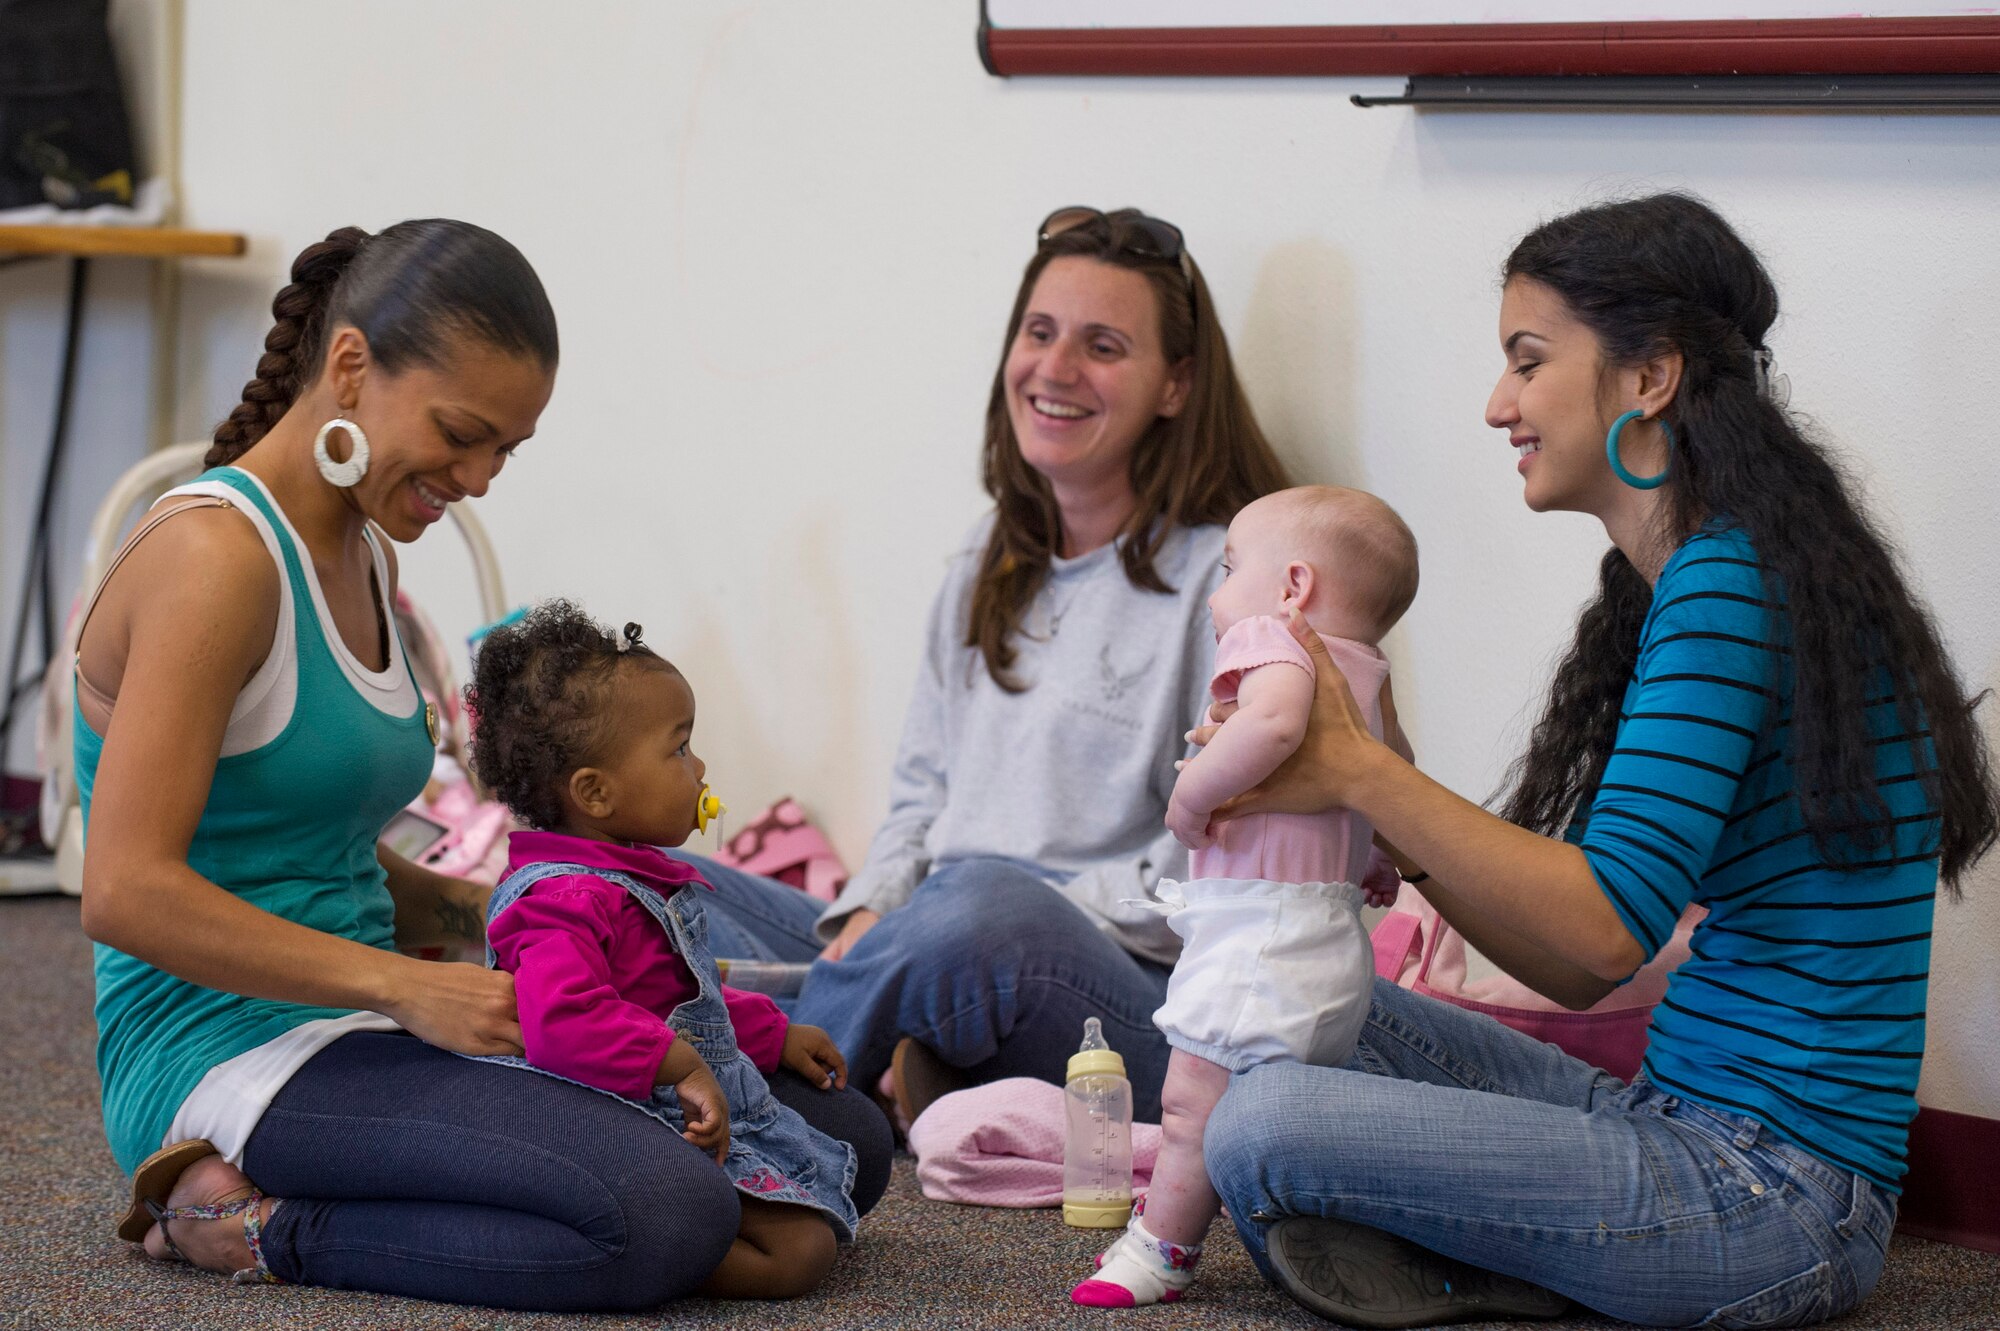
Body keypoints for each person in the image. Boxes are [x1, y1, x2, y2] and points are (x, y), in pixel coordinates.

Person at [1196, 194, 1999, 1328]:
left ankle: (1519, 1263)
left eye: (1528, 361)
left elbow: (1600, 932)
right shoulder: (1707, 571)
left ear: (1650, 376)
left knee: (1258, 1123)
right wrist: (1374, 792)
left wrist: (1367, 774)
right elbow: (1578, 974)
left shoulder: (1726, 582)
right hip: (1679, 1122)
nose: (1498, 404)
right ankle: (1530, 1257)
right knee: (1307, 1003)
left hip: (1772, 1199)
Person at [79, 221, 891, 1311]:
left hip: (375, 1007)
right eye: (461, 435)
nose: (476, 479)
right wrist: (407, 984)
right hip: (218, 1044)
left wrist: (494, 914)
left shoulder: (361, 549)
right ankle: (247, 1223)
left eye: (504, 450)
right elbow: (124, 889)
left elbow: (311, 841)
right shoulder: (212, 558)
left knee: (840, 1134)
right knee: (670, 1211)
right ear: (351, 366)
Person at [675, 206, 1290, 1123]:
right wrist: (871, 913)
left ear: (1177, 384)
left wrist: (955, 921)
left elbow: (1201, 878)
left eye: (1103, 346)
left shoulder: (1229, 580)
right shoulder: (986, 558)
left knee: (978, 911)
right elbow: (921, 794)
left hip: (1110, 978)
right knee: (656, 886)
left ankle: (758, 1097)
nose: (1055, 368)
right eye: (1039, 333)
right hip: (941, 929)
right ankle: (897, 1048)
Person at [1072, 485, 1417, 1309]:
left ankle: (1161, 1250)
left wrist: (1192, 793)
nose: (1219, 594)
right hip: (1330, 938)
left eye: (1230, 569)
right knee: (1276, 1102)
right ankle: (1312, 1237)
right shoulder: (1368, 669)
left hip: (1260, 934)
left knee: (1191, 1103)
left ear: (1294, 585)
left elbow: (1273, 726)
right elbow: (1394, 773)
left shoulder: (1273, 635)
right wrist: (1375, 856)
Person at [466, 601, 868, 1299]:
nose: (700, 765)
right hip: (608, 1112)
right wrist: (674, 1061)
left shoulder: (630, 872)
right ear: (595, 792)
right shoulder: (561, 897)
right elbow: (562, 1018)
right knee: (799, 1253)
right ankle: (645, 1244)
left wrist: (771, 1032)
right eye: (679, 748)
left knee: (846, 1169)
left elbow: (677, 995)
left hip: (673, 1099)